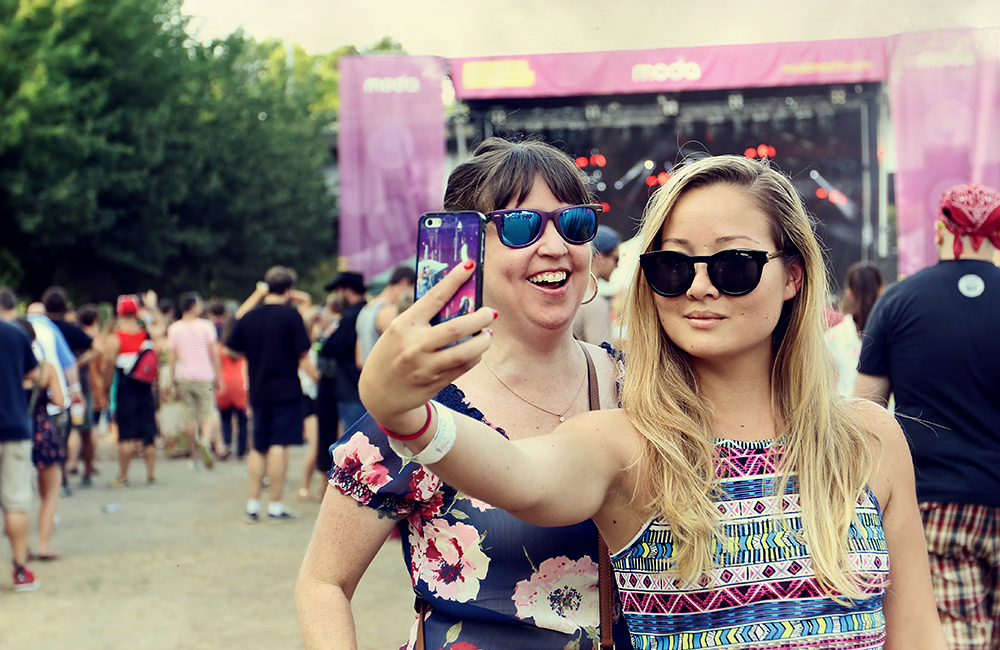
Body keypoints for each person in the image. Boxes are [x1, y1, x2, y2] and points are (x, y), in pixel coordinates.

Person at [358, 154, 946, 649]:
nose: (699, 285)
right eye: (672, 265)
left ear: (792, 276)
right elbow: (521, 477)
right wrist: (407, 415)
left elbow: (918, 635)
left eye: (735, 264)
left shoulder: (870, 438)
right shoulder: (625, 441)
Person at [297, 137, 630, 650]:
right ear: (469, 248)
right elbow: (323, 582)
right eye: (521, 226)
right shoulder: (424, 409)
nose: (555, 246)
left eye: (574, 223)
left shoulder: (642, 388)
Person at [856, 182, 1000, 650]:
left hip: (935, 505)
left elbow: (865, 411)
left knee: (955, 638)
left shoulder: (897, 302)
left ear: (942, 231)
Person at [225, 266, 317, 523]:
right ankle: (275, 506)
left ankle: (252, 504)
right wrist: (319, 378)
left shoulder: (251, 317)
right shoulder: (291, 316)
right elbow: (303, 355)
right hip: (286, 389)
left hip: (258, 388)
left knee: (258, 447)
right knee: (279, 445)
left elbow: (231, 349)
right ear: (288, 290)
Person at [0, 288, 41, 591]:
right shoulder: (16, 335)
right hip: (14, 425)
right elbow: (34, 375)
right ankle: (20, 570)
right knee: (15, 503)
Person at [16, 318, 66, 562]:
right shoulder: (45, 369)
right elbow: (59, 400)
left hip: (15, 434)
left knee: (17, 495)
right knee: (51, 492)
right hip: (42, 432)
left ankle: (22, 548)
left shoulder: (6, 371)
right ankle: (44, 545)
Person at [104, 294, 159, 487]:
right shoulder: (146, 334)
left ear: (118, 312)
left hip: (125, 389)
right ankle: (151, 474)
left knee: (125, 435)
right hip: (145, 389)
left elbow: (109, 367)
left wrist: (106, 390)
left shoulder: (114, 339)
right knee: (148, 435)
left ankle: (124, 475)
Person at [166, 291, 222, 467]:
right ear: (192, 306)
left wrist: (173, 381)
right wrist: (219, 376)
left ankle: (193, 456)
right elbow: (214, 354)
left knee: (188, 417)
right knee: (208, 413)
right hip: (205, 376)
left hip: (184, 377)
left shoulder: (174, 328)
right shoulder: (206, 326)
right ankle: (205, 442)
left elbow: (172, 358)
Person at [825, 262, 884, 397]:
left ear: (849, 293)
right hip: (886, 414)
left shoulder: (833, 337)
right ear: (881, 290)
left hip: (847, 413)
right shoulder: (893, 334)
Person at [318, 271, 367, 432]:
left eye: (338, 291)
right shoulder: (366, 311)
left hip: (351, 388)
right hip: (362, 386)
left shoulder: (351, 316)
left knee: (356, 441)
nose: (337, 295)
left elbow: (330, 349)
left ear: (347, 290)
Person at [354, 265, 416, 368]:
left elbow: (359, 361)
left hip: (368, 379)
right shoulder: (387, 312)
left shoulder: (365, 310)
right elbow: (402, 352)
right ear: (404, 283)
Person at [573, 224, 621, 345]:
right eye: (616, 259)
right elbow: (605, 355)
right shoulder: (593, 303)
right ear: (600, 257)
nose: (617, 266)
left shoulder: (570, 296)